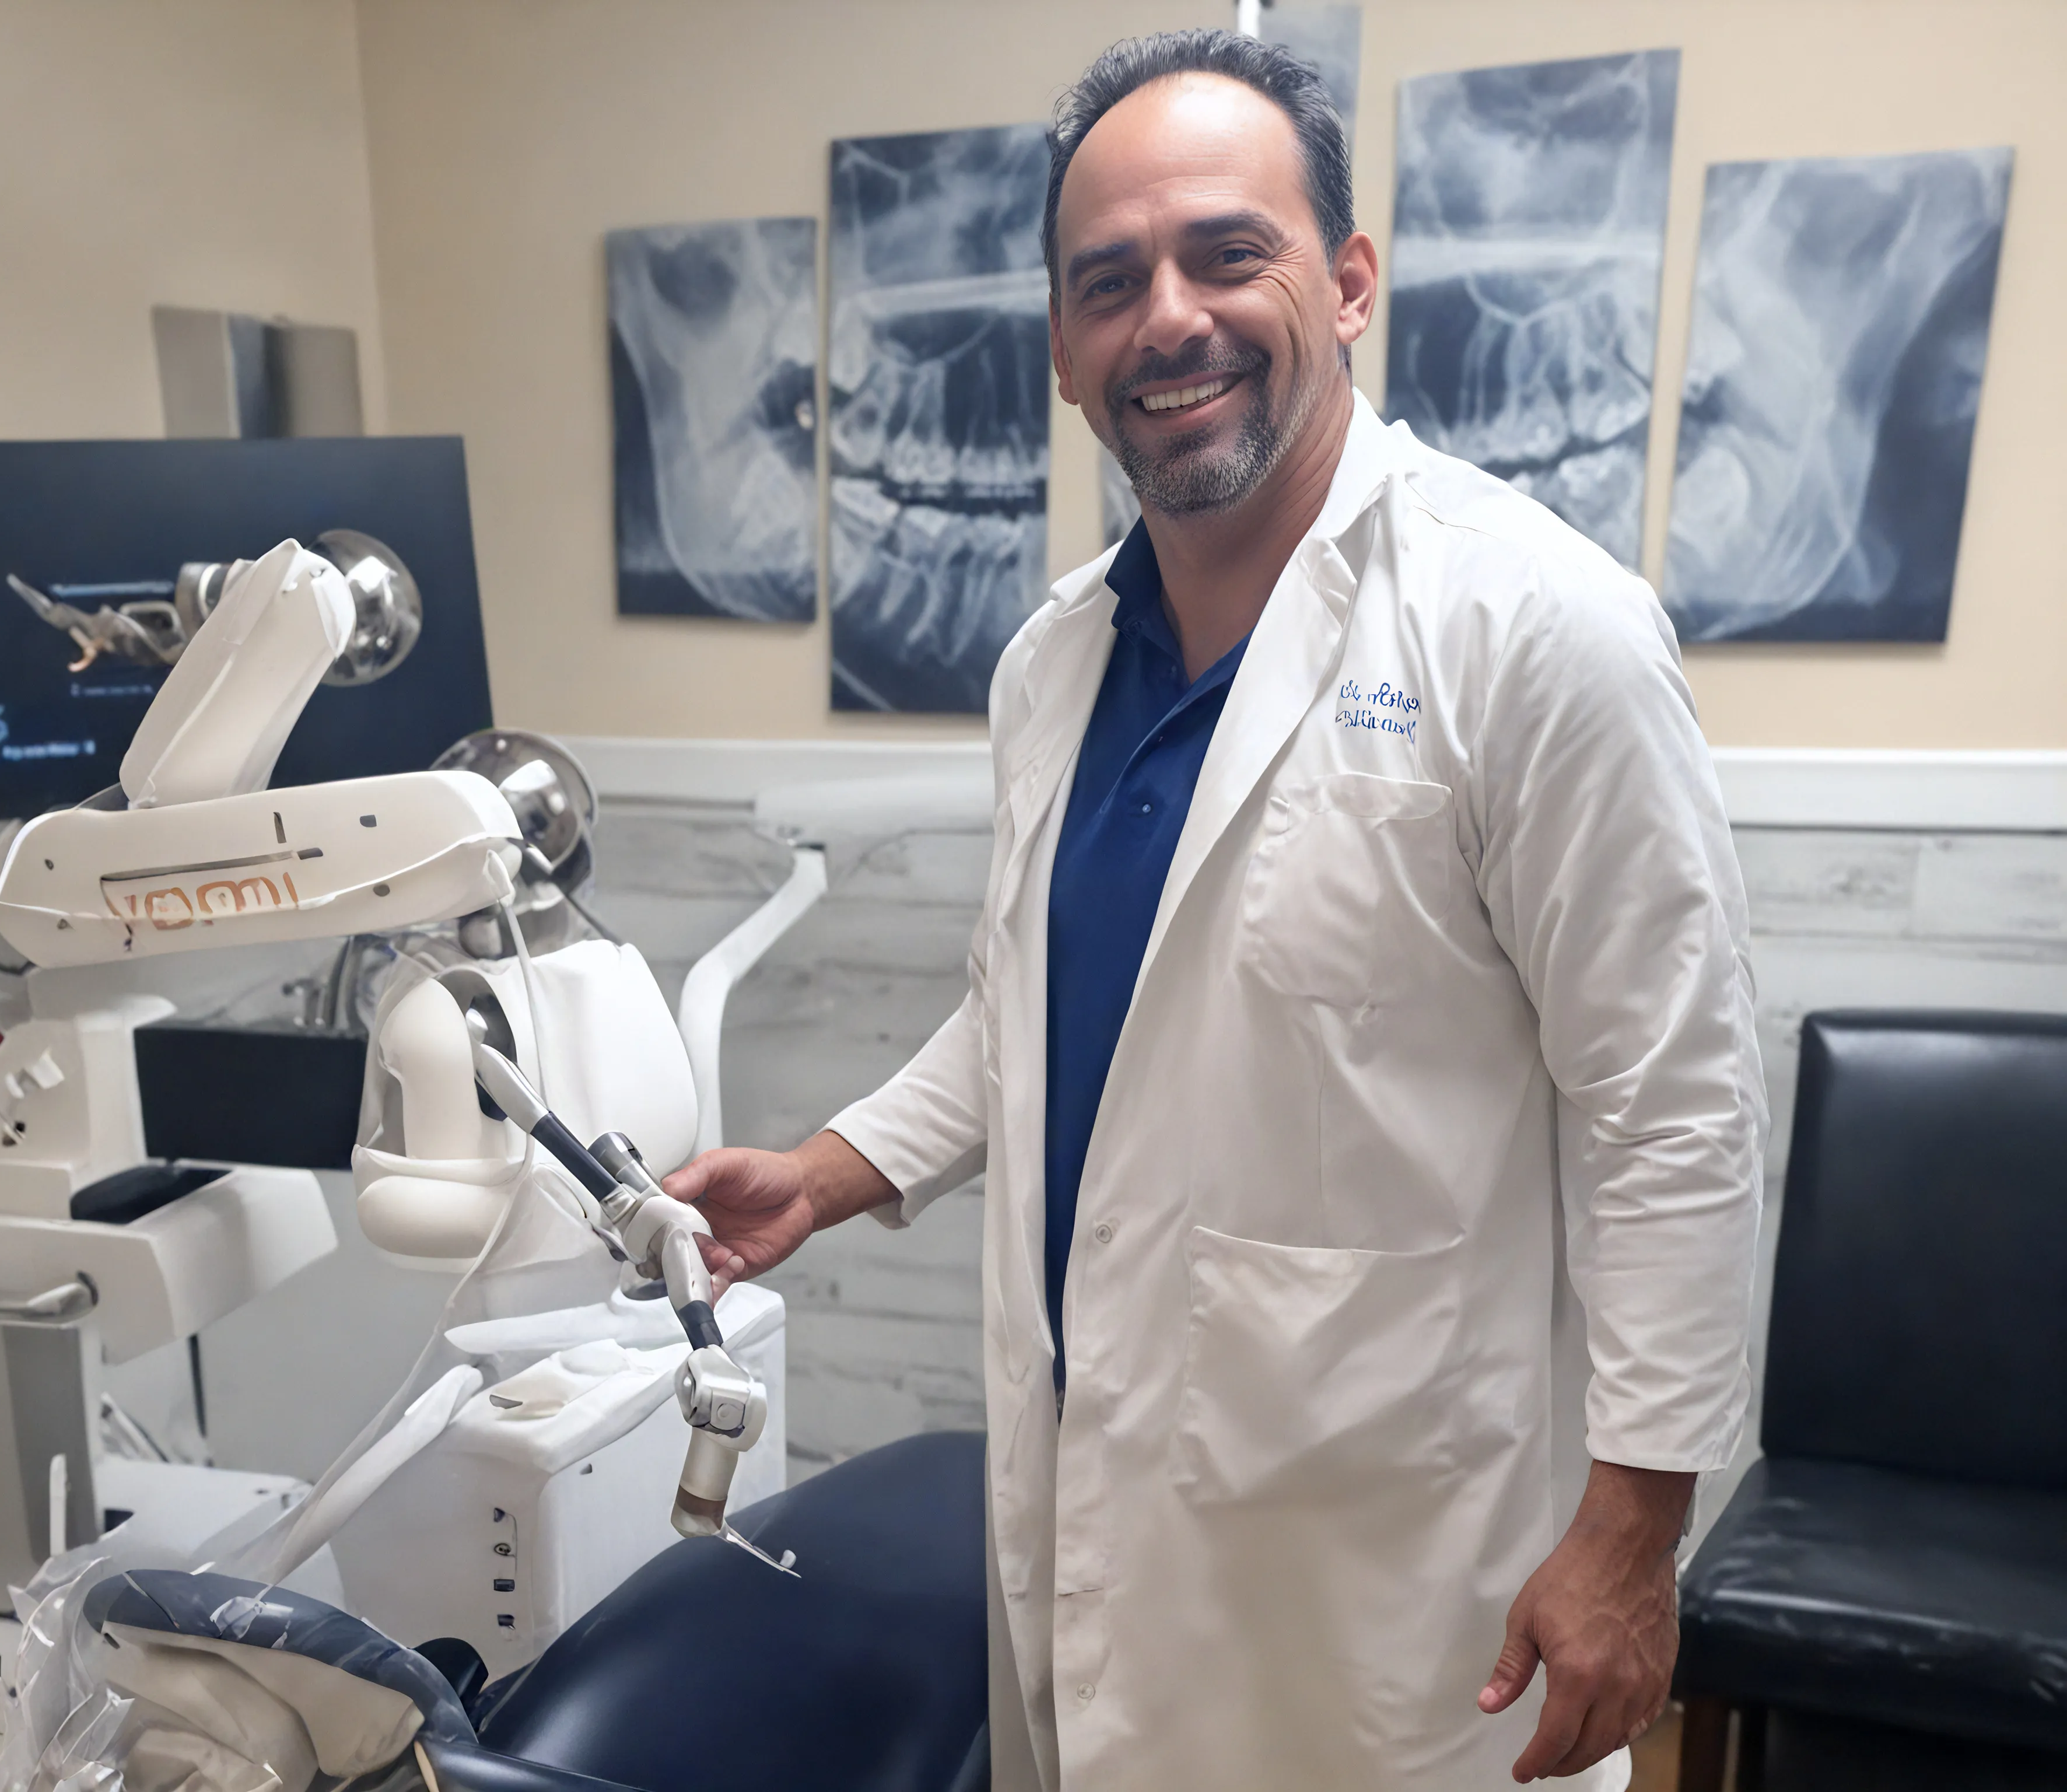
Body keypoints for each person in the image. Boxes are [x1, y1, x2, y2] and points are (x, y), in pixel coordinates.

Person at [664, 29, 1764, 1791]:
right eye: (1109, 282)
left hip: (1392, 1575)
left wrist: (1637, 1536)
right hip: (1095, 1502)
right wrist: (826, 1174)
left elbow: (1675, 1109)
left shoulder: (1537, 630)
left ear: (1349, 284)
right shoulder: (1052, 667)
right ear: (1062, 351)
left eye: (1226, 254)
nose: (1167, 318)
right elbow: (1033, 1005)